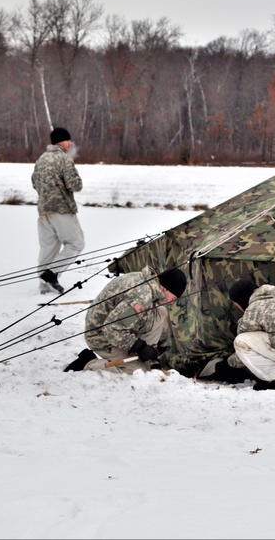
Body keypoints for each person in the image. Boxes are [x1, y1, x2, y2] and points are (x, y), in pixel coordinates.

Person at [63, 267, 187, 373]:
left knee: (161, 311)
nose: (172, 302)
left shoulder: (148, 283)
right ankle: (89, 363)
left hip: (116, 326)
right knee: (140, 371)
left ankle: (148, 357)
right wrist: (140, 347)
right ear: (165, 289)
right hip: (101, 336)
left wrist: (147, 349)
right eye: (173, 297)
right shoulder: (142, 297)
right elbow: (112, 329)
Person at [31, 127, 85, 294]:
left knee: (48, 248)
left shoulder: (41, 159)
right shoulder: (64, 159)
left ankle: (44, 286)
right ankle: (51, 273)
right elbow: (75, 185)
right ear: (60, 141)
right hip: (62, 209)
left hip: (43, 211)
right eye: (68, 140)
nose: (70, 143)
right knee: (76, 243)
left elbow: (34, 182)